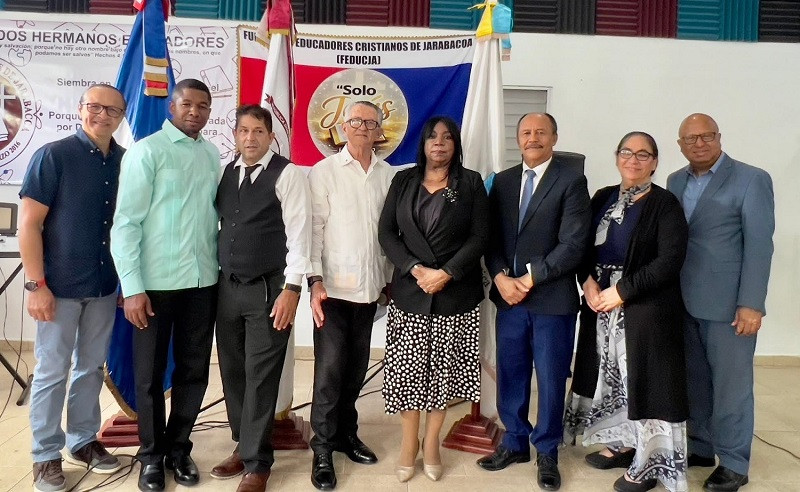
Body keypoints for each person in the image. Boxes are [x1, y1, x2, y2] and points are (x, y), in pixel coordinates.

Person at [111, 79, 220, 492]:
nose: (195, 111)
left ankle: (178, 447)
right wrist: (133, 287)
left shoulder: (212, 155)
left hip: (202, 283)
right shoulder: (147, 151)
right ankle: (152, 455)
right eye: (187, 104)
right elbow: (126, 224)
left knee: (194, 371)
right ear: (172, 107)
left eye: (203, 106)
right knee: (150, 374)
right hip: (153, 287)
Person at [563, 132, 689, 492]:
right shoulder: (602, 197)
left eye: (643, 154)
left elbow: (669, 261)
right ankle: (622, 442)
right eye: (627, 152)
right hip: (599, 303)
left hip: (644, 306)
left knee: (642, 381)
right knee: (609, 377)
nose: (633, 160)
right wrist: (586, 281)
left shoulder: (665, 205)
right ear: (617, 156)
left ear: (655, 162)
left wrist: (621, 291)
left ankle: (649, 464)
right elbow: (581, 245)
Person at [19, 84, 126, 492]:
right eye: (95, 107)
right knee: (51, 371)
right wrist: (36, 285)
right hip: (57, 287)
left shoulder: (124, 161)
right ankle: (45, 455)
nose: (103, 115)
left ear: (121, 116)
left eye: (112, 110)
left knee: (90, 368)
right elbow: (28, 224)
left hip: (103, 285)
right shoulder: (53, 156)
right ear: (81, 109)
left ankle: (82, 441)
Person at [478, 112, 590, 491]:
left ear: (554, 137)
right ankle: (514, 443)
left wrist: (527, 278)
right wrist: (499, 277)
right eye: (526, 132)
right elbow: (489, 240)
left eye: (541, 132)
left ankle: (547, 451)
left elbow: (573, 244)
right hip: (508, 299)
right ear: (518, 138)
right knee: (512, 374)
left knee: (551, 377)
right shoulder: (505, 182)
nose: (533, 137)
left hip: (551, 301)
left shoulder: (571, 180)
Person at [667, 113, 774, 492]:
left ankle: (733, 461)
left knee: (731, 387)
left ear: (719, 137)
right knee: (694, 382)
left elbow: (760, 246)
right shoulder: (675, 181)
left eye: (706, 136)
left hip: (730, 306)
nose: (699, 143)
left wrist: (752, 304)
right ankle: (700, 446)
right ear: (680, 144)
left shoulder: (751, 179)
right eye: (690, 138)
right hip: (683, 299)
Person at [378, 116, 488, 483]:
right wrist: (415, 269)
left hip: (455, 293)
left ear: (455, 144)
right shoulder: (403, 180)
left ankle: (432, 445)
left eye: (446, 137)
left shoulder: (470, 182)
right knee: (409, 377)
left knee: (443, 376)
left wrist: (447, 272)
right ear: (422, 144)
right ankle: (410, 444)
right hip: (411, 291)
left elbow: (480, 236)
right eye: (431, 137)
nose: (439, 143)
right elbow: (387, 234)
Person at [210, 104, 312, 492]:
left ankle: (258, 463)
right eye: (243, 131)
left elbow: (301, 235)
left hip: (269, 290)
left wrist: (292, 289)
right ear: (235, 135)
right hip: (227, 289)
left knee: (260, 375)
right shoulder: (226, 171)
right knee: (234, 371)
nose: (249, 138)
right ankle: (243, 444)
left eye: (258, 131)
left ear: (271, 136)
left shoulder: (286, 174)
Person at [306, 101, 393, 490]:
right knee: (329, 372)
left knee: (356, 369)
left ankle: (345, 434)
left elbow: (392, 234)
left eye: (370, 122)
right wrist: (314, 281)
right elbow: (313, 230)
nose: (362, 127)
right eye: (355, 121)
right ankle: (322, 447)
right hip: (332, 291)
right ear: (342, 127)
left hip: (371, 288)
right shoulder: (323, 172)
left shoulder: (388, 175)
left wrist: (390, 280)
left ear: (378, 130)